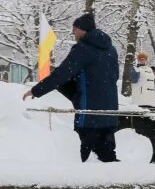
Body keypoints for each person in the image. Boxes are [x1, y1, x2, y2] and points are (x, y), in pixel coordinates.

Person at [22, 13, 120, 163]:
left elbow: (61, 75)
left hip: (89, 113)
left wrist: (36, 90)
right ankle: (117, 181)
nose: (72, 32)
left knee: (84, 158)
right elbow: (114, 76)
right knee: (107, 154)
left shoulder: (83, 49)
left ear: (83, 30)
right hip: (109, 111)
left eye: (75, 28)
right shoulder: (111, 49)